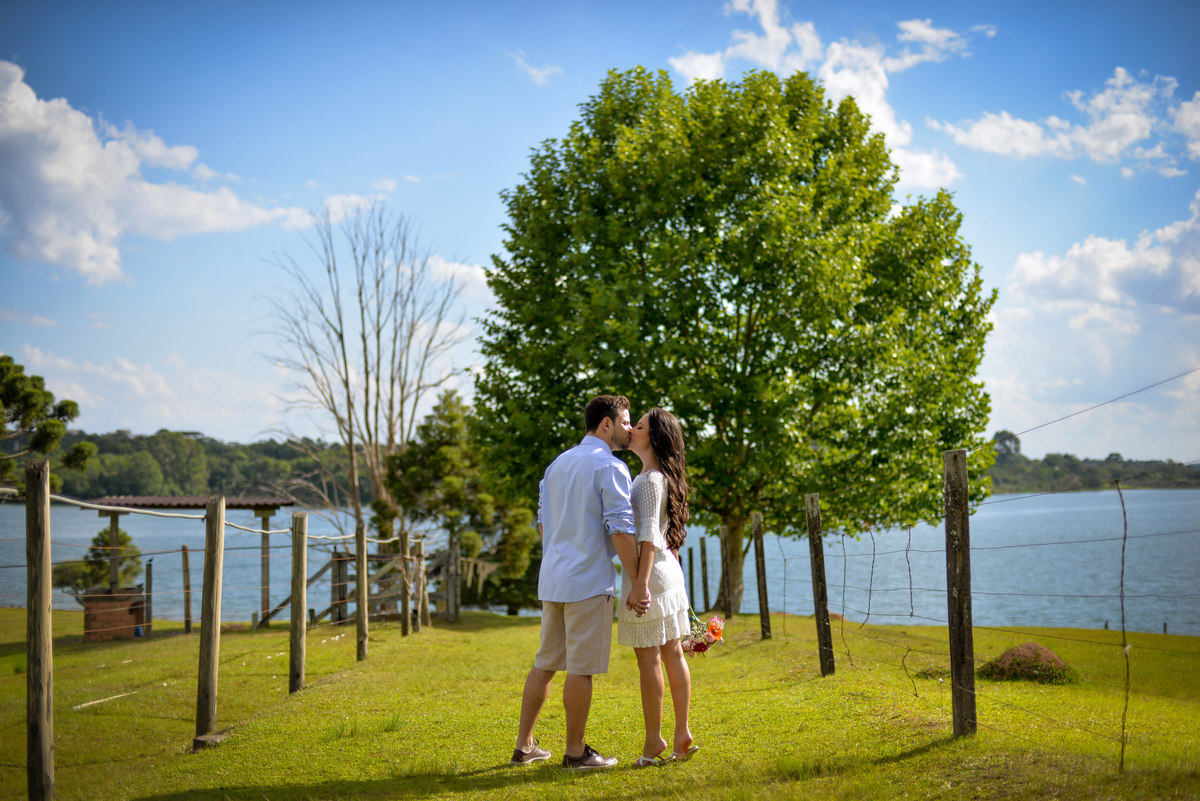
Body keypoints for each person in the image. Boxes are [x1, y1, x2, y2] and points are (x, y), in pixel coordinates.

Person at [511, 395, 646, 770]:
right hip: (587, 581)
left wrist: (559, 556)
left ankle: (525, 746)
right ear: (606, 423)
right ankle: (575, 752)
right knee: (580, 668)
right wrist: (638, 582)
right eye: (624, 422)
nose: (629, 429)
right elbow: (621, 529)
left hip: (554, 579)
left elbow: (543, 523)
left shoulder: (557, 464)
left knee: (546, 663)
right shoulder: (610, 467)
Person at [617, 407, 698, 767]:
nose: (631, 430)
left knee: (649, 660)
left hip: (652, 575)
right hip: (669, 572)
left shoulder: (649, 481)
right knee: (673, 655)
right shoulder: (662, 477)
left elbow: (648, 535)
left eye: (639, 426)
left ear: (653, 437)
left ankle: (654, 742)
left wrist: (640, 584)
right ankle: (682, 734)